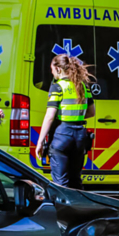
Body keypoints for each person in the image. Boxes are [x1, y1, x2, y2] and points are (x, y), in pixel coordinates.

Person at [34, 55, 95, 189]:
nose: (51, 72)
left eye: (52, 69)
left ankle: (62, 209)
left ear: (58, 69)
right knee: (75, 180)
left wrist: (39, 142)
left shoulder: (58, 87)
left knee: (61, 183)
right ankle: (78, 208)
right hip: (80, 136)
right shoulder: (84, 86)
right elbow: (91, 113)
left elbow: (50, 116)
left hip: (62, 134)